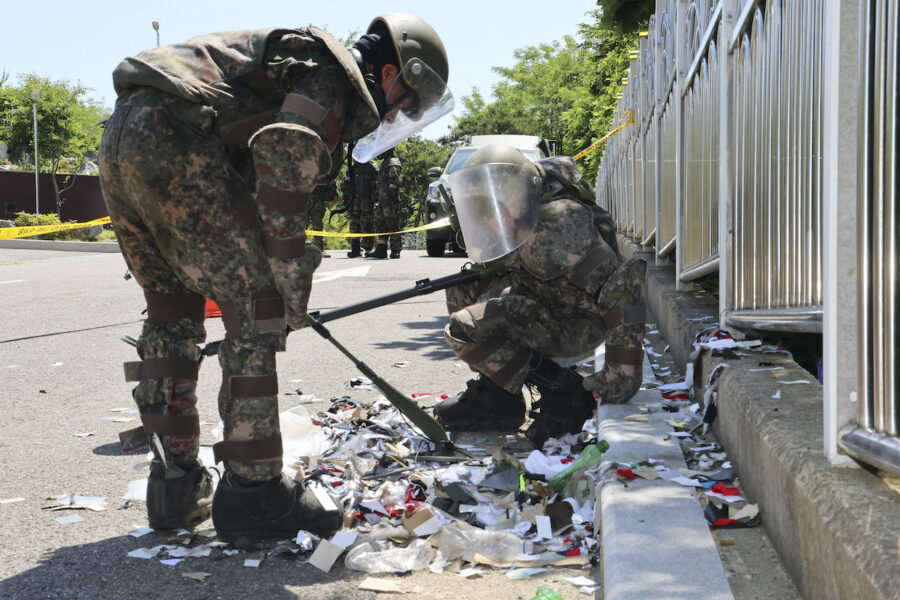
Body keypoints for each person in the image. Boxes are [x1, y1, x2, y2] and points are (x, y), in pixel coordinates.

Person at [98, 14, 451, 540]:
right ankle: (256, 496)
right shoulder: (332, 76)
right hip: (177, 139)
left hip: (124, 137)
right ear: (391, 74)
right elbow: (283, 152)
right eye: (406, 103)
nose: (396, 116)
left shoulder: (294, 62)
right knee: (257, 310)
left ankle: (174, 488)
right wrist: (285, 283)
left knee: (171, 314)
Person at [433, 145, 646, 447]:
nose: (487, 224)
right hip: (550, 300)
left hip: (578, 322)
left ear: (514, 202)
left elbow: (623, 287)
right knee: (462, 290)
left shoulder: (558, 227)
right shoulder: (525, 218)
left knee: (463, 328)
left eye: (492, 214)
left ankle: (563, 391)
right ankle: (500, 398)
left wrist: (621, 376)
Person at [367, 150, 403, 258]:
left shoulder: (392, 163)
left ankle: (395, 249)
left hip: (390, 201)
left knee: (392, 224)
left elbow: (396, 180)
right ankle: (381, 249)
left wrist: (390, 195)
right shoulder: (386, 162)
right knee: (380, 224)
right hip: (382, 201)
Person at [343, 159, 378, 257]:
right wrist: (346, 198)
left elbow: (377, 185)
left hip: (367, 200)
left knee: (368, 223)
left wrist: (376, 200)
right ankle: (355, 249)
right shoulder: (352, 168)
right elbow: (346, 183)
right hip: (354, 200)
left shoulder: (372, 168)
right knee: (354, 224)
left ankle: (368, 249)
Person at [308, 182, 338, 257]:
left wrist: (334, 194)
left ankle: (320, 249)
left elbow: (330, 177)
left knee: (317, 224)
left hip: (317, 197)